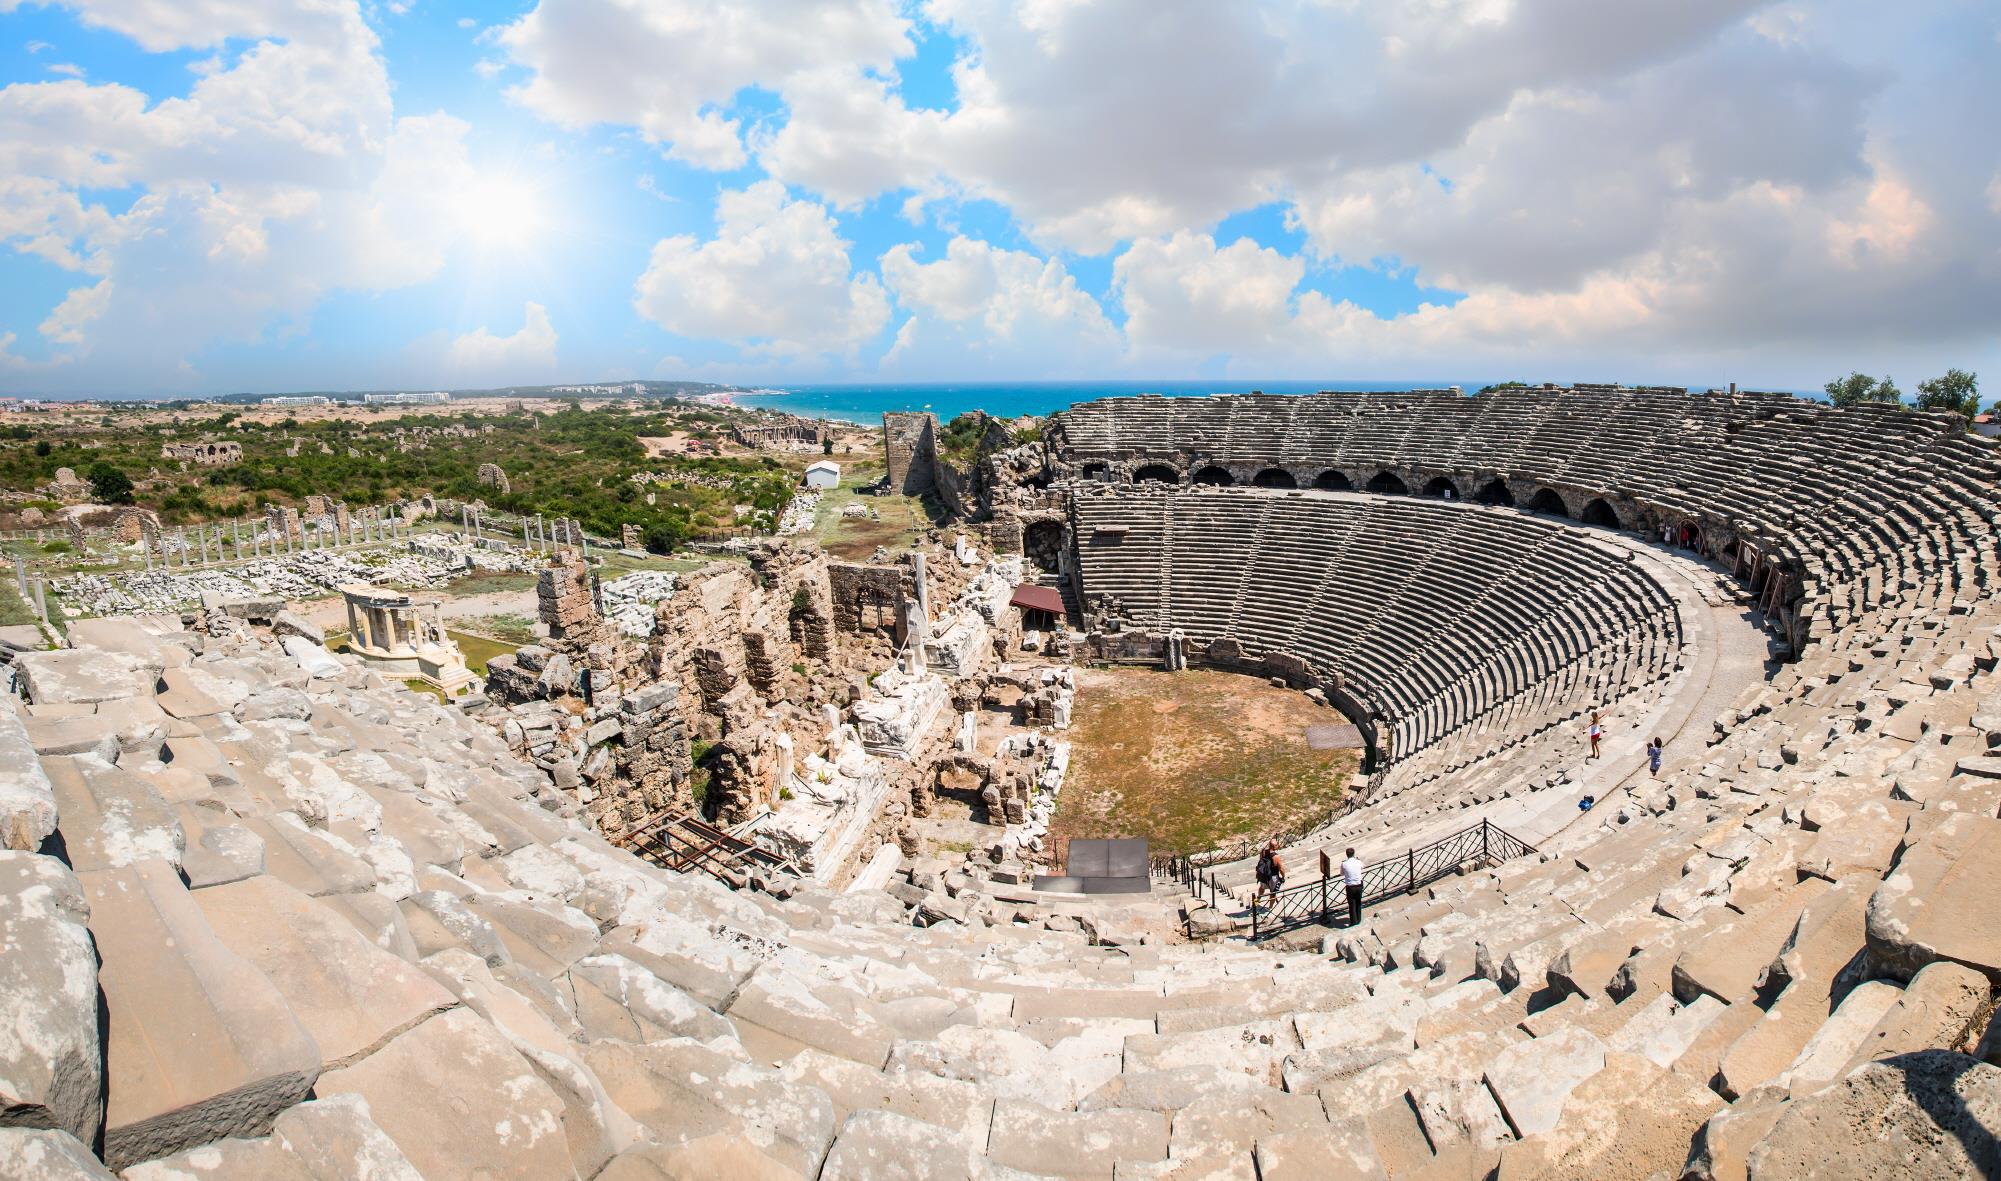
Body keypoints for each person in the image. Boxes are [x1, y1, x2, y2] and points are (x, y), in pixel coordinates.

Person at [1255, 841, 1285, 909]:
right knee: (1273, 893)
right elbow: (1281, 869)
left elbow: (1260, 862)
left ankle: (1256, 903)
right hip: (1272, 877)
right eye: (1277, 844)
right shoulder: (1276, 856)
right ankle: (1270, 908)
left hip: (1263, 875)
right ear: (1275, 846)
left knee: (1261, 888)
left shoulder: (1263, 852)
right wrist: (1283, 877)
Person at [1340, 847, 1365, 927]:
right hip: (1359, 885)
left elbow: (1341, 874)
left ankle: (1353, 921)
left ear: (1346, 855)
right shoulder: (1358, 861)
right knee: (1358, 903)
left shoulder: (1344, 864)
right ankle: (1358, 919)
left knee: (1352, 904)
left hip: (1350, 887)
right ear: (1354, 854)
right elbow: (1362, 867)